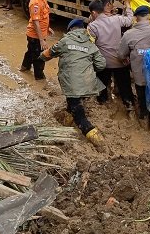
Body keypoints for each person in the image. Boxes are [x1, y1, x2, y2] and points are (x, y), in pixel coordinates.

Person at [40, 18, 107, 147]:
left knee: (79, 115)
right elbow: (101, 64)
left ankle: (93, 135)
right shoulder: (90, 44)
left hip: (71, 82)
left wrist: (40, 57)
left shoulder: (64, 41)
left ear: (70, 29)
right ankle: (67, 120)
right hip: (88, 82)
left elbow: (48, 54)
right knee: (73, 103)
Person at [87, 0, 136, 111]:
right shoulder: (116, 19)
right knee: (125, 88)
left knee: (102, 87)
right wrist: (128, 6)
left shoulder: (92, 26)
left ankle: (104, 107)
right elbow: (130, 20)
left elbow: (90, 46)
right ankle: (130, 108)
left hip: (103, 63)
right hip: (120, 61)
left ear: (94, 13)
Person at [118, 5, 150, 120]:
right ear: (149, 16)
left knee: (142, 96)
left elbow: (120, 54)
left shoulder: (129, 34)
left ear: (135, 18)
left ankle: (144, 118)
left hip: (139, 74)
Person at [20, 0, 52, 80]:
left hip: (39, 33)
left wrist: (48, 28)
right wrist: (42, 40)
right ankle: (40, 78)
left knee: (31, 51)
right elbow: (36, 23)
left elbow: (44, 16)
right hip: (36, 36)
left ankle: (24, 67)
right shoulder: (35, 3)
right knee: (39, 58)